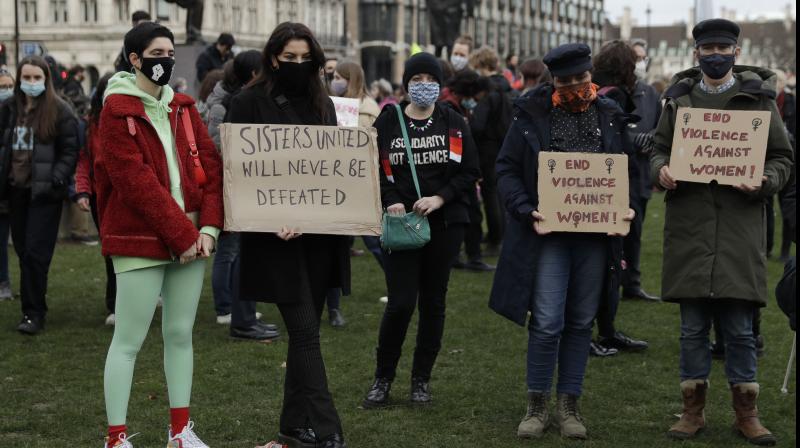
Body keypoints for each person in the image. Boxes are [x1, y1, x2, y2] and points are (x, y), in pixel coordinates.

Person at [651, 19, 793, 445]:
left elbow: (783, 157)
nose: (715, 54)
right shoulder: (677, 101)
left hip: (739, 226)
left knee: (740, 328)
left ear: (736, 50)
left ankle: (746, 412)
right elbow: (658, 149)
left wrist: (765, 181)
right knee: (692, 328)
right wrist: (661, 170)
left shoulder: (759, 101)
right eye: (707, 47)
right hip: (691, 226)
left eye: (722, 47)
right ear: (696, 52)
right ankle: (691, 411)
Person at [488, 43, 637, 440]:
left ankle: (569, 405)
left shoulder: (609, 115)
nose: (574, 86)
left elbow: (628, 173)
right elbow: (505, 169)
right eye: (565, 80)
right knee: (548, 320)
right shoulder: (530, 114)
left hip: (594, 237)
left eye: (581, 79)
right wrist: (524, 209)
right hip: (548, 233)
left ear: (592, 76)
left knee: (580, 321)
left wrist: (627, 210)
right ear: (553, 79)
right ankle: (536, 404)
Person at [97, 22, 223, 447]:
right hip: (140, 238)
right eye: (157, 53)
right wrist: (183, 234)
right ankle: (116, 437)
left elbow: (211, 169)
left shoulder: (184, 107)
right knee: (128, 339)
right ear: (134, 59)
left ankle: (180, 432)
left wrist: (207, 228)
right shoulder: (115, 110)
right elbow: (134, 183)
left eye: (170, 52)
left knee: (180, 334)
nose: (166, 59)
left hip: (191, 237)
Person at [226, 22, 349, 448]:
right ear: (272, 58)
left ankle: (293, 426)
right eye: (288, 58)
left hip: (318, 236)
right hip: (274, 239)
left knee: (305, 331)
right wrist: (275, 214)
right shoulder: (247, 103)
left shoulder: (323, 105)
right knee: (306, 332)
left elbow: (332, 169)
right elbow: (238, 175)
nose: (297, 65)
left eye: (304, 58)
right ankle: (328, 429)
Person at [363, 52, 480, 408]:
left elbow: (469, 171)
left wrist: (440, 198)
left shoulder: (454, 121)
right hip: (402, 225)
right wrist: (390, 200)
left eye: (431, 80)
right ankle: (383, 379)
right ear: (405, 84)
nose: (424, 87)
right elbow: (371, 167)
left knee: (433, 303)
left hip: (444, 225)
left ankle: (420, 381)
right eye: (417, 80)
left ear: (441, 85)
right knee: (400, 303)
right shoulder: (388, 121)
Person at [0, 56, 79, 335]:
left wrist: (57, 177)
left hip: (44, 194)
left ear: (46, 79)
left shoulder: (60, 110)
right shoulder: (8, 109)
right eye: (27, 78)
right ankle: (34, 305)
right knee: (23, 252)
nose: (31, 83)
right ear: (20, 79)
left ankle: (33, 313)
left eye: (37, 78)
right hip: (16, 191)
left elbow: (71, 149)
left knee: (35, 253)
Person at [205, 50, 279, 340]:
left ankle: (243, 314)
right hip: (237, 186)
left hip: (246, 186)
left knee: (244, 253)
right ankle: (237, 315)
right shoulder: (236, 102)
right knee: (233, 252)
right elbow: (225, 147)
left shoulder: (240, 99)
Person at [588, 40, 650, 356]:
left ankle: (605, 329)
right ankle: (592, 331)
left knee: (609, 264)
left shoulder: (597, 92)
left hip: (598, 187)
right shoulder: (612, 98)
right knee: (602, 265)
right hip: (609, 188)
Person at [328, 60, 384, 326]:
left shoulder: (368, 109)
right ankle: (333, 307)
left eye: (340, 76)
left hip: (359, 184)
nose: (335, 80)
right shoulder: (328, 103)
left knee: (374, 240)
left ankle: (401, 285)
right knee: (334, 247)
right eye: (333, 76)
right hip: (333, 184)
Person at [75, 73, 118, 325]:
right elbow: (84, 159)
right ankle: (114, 304)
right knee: (111, 252)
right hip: (101, 196)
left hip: (127, 195)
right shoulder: (90, 125)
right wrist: (82, 190)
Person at [621, 39, 661, 302]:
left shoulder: (650, 93)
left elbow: (661, 128)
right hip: (617, 175)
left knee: (636, 233)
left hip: (642, 175)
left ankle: (632, 284)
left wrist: (652, 141)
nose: (641, 63)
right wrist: (634, 141)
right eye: (636, 58)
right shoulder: (612, 92)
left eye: (644, 58)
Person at [469, 46, 512, 254]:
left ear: (482, 67)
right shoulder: (508, 87)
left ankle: (495, 239)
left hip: (488, 147)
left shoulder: (489, 91)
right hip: (505, 145)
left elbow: (477, 124)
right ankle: (501, 234)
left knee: (490, 194)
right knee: (500, 194)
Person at [0, 68, 14, 302]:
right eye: (2, 87)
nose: (6, 91)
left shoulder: (17, 114)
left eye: (8, 86)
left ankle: (4, 282)